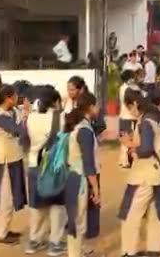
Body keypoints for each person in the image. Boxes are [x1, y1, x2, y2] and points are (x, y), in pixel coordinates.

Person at [117, 94, 160, 257]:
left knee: (130, 213)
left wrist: (129, 145)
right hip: (157, 173)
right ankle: (154, 249)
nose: (130, 112)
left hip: (144, 174)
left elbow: (146, 149)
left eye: (129, 107)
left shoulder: (145, 122)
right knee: (155, 213)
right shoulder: (155, 119)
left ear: (135, 104)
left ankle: (129, 251)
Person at [23, 86, 66, 256]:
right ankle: (55, 243)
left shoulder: (30, 117)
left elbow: (24, 141)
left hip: (34, 164)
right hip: (54, 165)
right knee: (57, 205)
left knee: (37, 205)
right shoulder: (60, 117)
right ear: (55, 101)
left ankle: (34, 240)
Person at [0, 84, 27, 245]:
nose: (17, 98)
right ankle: (1, 234)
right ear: (7, 98)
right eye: (14, 96)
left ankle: (4, 229)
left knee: (9, 196)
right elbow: (18, 130)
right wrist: (26, 115)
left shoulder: (10, 111)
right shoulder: (0, 117)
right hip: (3, 161)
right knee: (4, 198)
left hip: (11, 158)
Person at [65, 97, 102, 257]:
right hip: (80, 178)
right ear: (90, 107)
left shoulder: (76, 126)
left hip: (73, 175)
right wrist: (96, 188)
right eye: (97, 106)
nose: (98, 109)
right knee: (78, 220)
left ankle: (80, 250)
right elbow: (88, 163)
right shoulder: (84, 130)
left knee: (77, 218)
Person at [118, 70, 143, 169]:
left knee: (124, 137)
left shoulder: (122, 88)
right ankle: (126, 160)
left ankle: (122, 160)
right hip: (130, 116)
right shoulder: (130, 89)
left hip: (123, 116)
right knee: (130, 138)